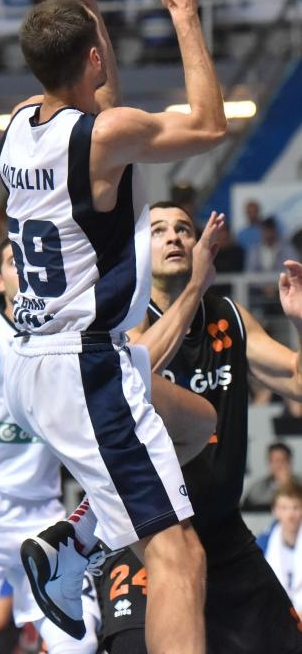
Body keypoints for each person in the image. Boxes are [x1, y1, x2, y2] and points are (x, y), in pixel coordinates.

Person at [0, 0, 227, 653]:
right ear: (93, 61)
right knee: (178, 557)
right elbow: (207, 124)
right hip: (83, 364)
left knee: (194, 422)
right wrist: (185, 16)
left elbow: (101, 108)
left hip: (38, 361)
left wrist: (83, 7)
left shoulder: (19, 126)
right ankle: (74, 545)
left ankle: (69, 541)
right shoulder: (100, 135)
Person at [94, 202, 302, 654]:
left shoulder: (229, 317)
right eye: (160, 230)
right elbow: (135, 374)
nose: (173, 237)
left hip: (224, 531)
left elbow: (297, 381)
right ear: (138, 250)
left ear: (198, 245)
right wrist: (194, 289)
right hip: (149, 537)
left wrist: (300, 322)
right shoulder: (122, 318)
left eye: (184, 229)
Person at [0, 239, 99, 653]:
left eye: (29, 262)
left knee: (81, 641)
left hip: (42, 516)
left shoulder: (69, 337)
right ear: (0, 281)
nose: (24, 269)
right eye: (11, 262)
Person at [257, 481, 302, 615]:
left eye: (295, 507)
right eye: (284, 508)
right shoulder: (262, 544)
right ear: (275, 511)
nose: (290, 515)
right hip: (275, 616)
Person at [243, 442, 301, 511]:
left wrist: (287, 484)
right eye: (275, 461)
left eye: (282, 460)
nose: (279, 465)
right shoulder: (257, 487)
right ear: (269, 463)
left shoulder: (299, 483)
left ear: (289, 462)